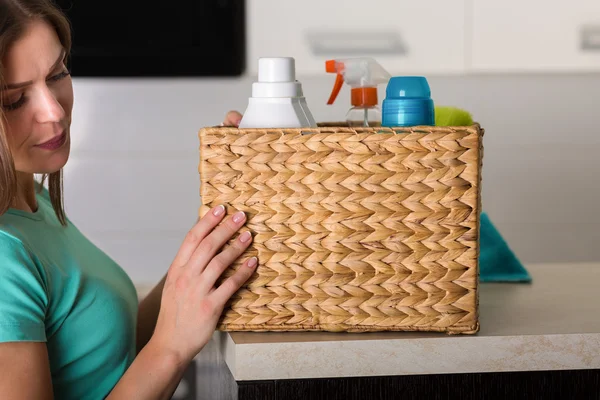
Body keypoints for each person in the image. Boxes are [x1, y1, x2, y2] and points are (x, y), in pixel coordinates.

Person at [0, 0, 252, 398]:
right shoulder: (3, 253)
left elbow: (110, 350)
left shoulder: (32, 201)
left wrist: (226, 209)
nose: (54, 112)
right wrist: (171, 348)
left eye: (57, 74)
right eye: (14, 100)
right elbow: (160, 345)